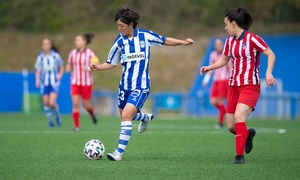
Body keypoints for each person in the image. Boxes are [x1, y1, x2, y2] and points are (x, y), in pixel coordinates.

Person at [90, 7, 194, 161]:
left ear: (131, 24)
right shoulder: (119, 41)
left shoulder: (145, 36)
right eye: (118, 26)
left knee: (126, 115)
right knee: (124, 116)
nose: (120, 29)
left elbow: (165, 40)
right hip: (124, 86)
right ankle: (145, 117)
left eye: (122, 26)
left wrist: (183, 42)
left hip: (141, 86)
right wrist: (98, 67)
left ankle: (118, 153)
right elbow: (111, 62)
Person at [200, 7, 276, 164]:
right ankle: (247, 134)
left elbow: (270, 54)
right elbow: (224, 60)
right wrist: (210, 67)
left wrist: (268, 73)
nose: (225, 27)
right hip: (233, 85)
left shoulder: (253, 39)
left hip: (250, 85)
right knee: (231, 126)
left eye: (226, 24)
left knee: (239, 116)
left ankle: (239, 157)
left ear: (233, 23)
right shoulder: (229, 41)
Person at [66, 33, 99, 132]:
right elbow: (69, 64)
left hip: (87, 83)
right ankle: (77, 127)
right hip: (75, 82)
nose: (76, 42)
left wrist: (89, 67)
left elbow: (96, 63)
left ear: (84, 41)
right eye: (76, 40)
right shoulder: (72, 53)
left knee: (86, 105)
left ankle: (92, 114)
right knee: (75, 103)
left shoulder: (90, 52)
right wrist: (67, 68)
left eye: (78, 40)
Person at [35, 38, 64, 127]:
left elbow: (62, 66)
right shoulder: (40, 57)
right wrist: (37, 79)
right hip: (44, 83)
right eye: (44, 44)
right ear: (42, 46)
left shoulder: (56, 56)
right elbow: (37, 69)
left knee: (52, 103)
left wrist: (60, 75)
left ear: (50, 45)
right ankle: (50, 120)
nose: (46, 46)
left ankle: (58, 115)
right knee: (46, 103)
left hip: (54, 82)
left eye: (47, 44)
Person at [202, 38, 230, 129]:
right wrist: (206, 79)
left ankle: (220, 123)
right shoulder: (213, 54)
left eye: (220, 44)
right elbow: (210, 68)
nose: (218, 46)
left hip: (223, 80)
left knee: (220, 101)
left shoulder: (226, 54)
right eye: (216, 44)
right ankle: (225, 113)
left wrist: (231, 78)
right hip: (216, 80)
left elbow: (230, 67)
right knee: (213, 101)